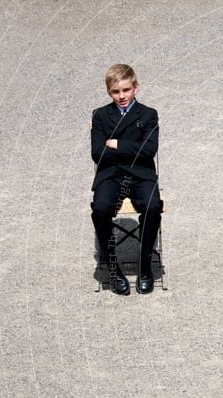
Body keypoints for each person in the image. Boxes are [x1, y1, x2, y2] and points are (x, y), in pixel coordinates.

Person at [91, 64, 161, 294]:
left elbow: (149, 150)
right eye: (115, 92)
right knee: (100, 208)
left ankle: (144, 266)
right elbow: (97, 153)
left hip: (141, 175)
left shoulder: (148, 114)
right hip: (111, 175)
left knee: (152, 207)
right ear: (109, 92)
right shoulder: (101, 116)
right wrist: (133, 149)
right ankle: (113, 268)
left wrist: (117, 144)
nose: (121, 96)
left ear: (135, 88)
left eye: (126, 90)